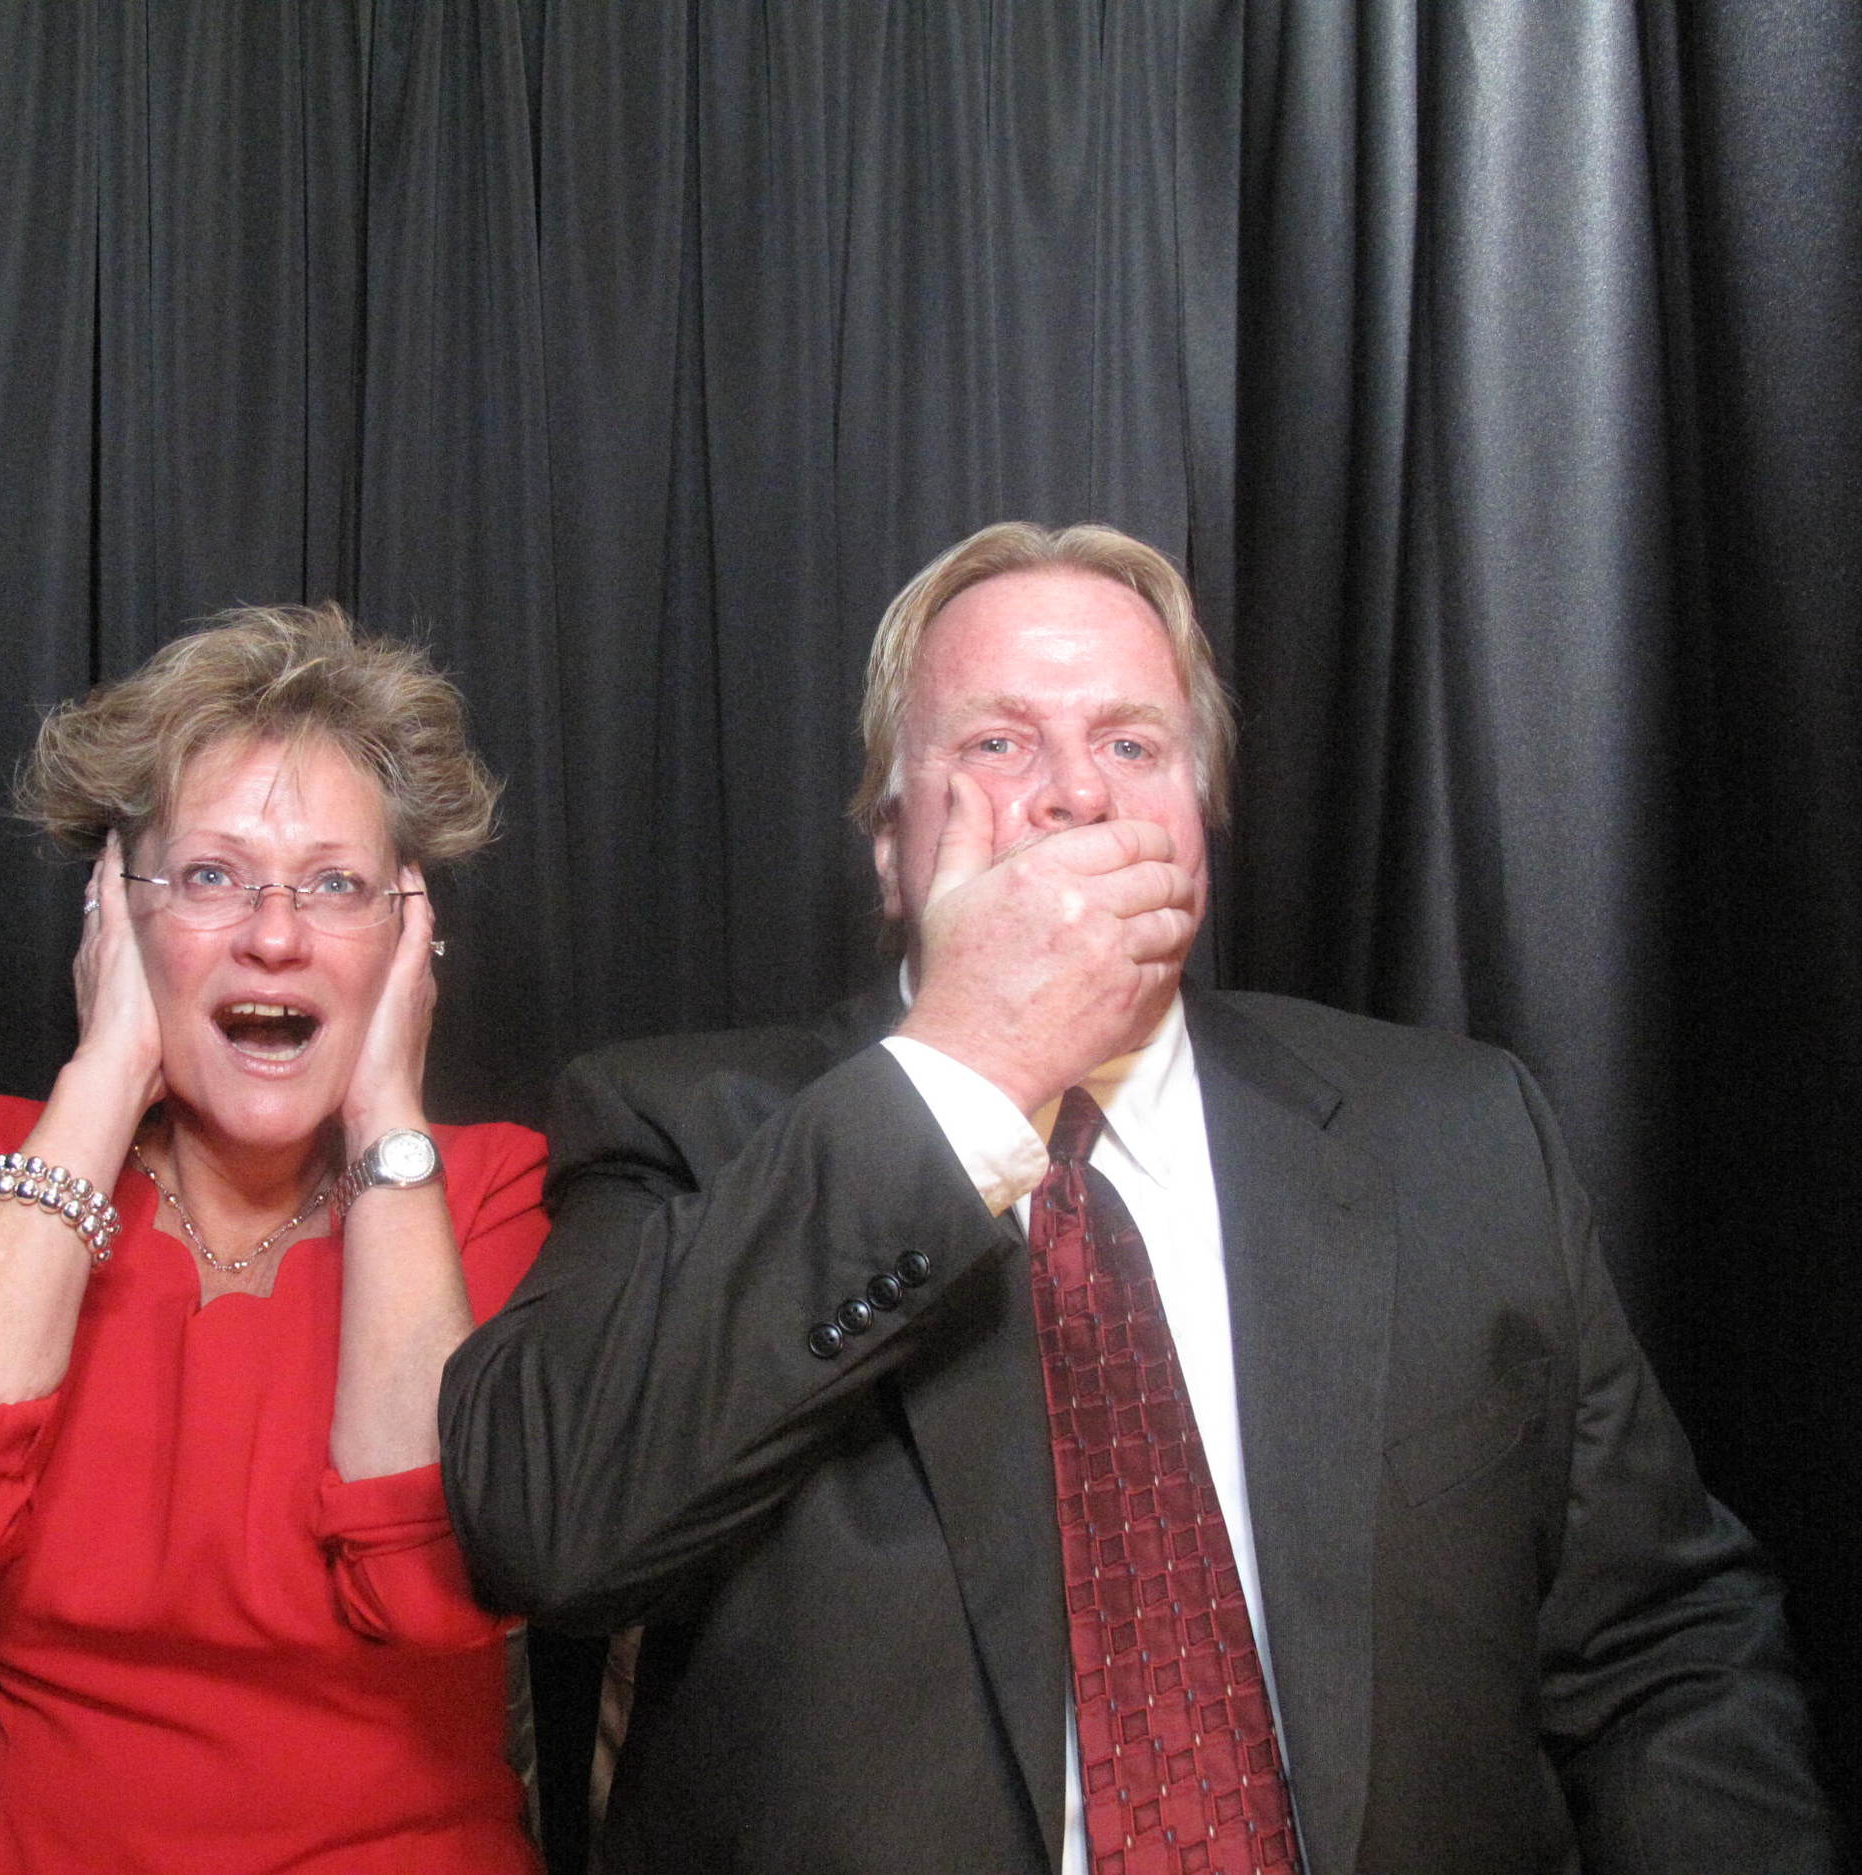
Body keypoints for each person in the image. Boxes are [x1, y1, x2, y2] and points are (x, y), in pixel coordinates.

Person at [439, 523, 1836, 1874]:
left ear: (1198, 823)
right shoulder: (684, 1126)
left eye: (1131, 742)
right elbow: (546, 1519)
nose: (1076, 793)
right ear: (885, 836)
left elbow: (1662, 1645)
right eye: (998, 742)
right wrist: (976, 1056)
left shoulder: (1461, 1136)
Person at [0, 605, 546, 1874]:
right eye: (208, 876)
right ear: (114, 916)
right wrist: (105, 1072)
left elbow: (428, 1593)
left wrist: (386, 1113)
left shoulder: (484, 1196)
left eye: (338, 886)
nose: (276, 935)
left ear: (411, 940)